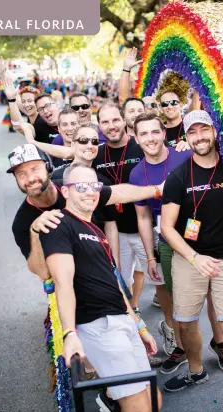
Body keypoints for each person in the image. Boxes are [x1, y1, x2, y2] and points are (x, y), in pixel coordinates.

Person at [40, 163, 162, 412]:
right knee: (139, 411)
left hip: (123, 323)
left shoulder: (96, 230)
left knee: (155, 401)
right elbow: (63, 282)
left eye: (94, 186)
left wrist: (139, 326)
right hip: (99, 325)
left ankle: (112, 405)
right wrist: (69, 333)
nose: (90, 192)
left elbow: (115, 283)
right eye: (81, 186)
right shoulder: (59, 224)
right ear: (65, 192)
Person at [161, 110, 223, 412]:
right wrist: (193, 257)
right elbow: (167, 227)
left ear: (214, 132)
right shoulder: (178, 176)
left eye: (204, 131)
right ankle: (197, 370)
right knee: (185, 323)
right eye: (193, 133)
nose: (200, 137)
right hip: (190, 258)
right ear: (186, 137)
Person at [131, 111, 223, 374]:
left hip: (203, 237)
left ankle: (219, 343)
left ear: (164, 133)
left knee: (212, 293)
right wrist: (150, 257)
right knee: (177, 298)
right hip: (169, 240)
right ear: (136, 139)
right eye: (143, 134)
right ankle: (184, 348)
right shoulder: (137, 173)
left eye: (154, 132)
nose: (150, 138)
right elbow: (143, 217)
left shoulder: (185, 155)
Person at [9, 143, 165, 282]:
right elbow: (42, 273)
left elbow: (117, 193)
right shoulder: (22, 222)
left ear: (48, 167)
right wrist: (35, 233)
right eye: (21, 174)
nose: (30, 178)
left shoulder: (72, 190)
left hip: (99, 269)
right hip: (66, 284)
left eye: (35, 169)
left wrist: (158, 189)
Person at [92, 102, 146, 314]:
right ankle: (130, 313)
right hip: (115, 230)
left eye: (115, 120)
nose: (111, 125)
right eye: (105, 122)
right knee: (121, 279)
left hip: (145, 226)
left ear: (124, 120)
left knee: (155, 278)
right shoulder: (95, 154)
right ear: (99, 126)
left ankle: (136, 307)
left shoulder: (141, 145)